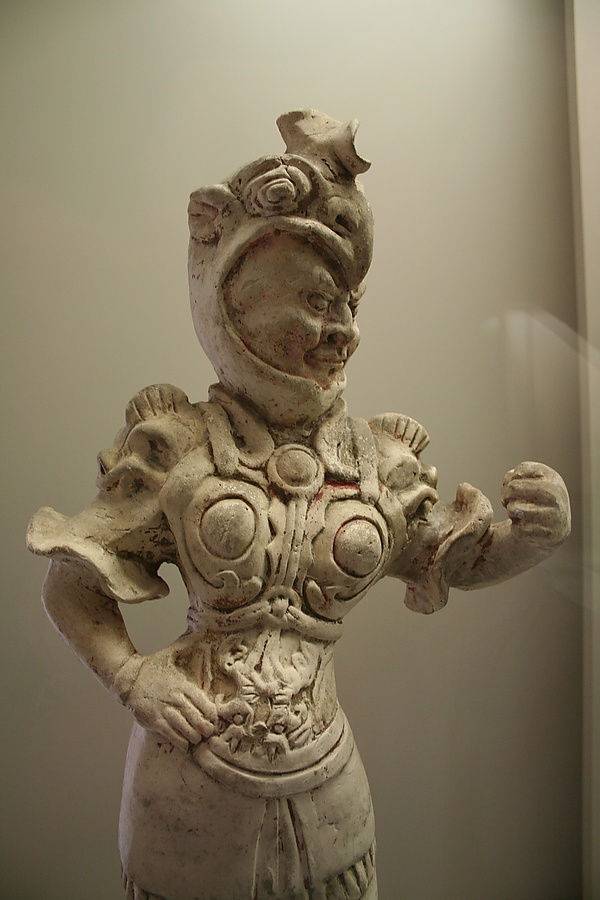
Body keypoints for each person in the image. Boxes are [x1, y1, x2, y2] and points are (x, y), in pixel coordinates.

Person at [27, 109, 570, 900]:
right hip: (186, 785)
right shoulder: (178, 448)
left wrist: (530, 540)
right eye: (318, 301)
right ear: (236, 303)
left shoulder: (374, 461)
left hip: (328, 785)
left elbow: (452, 556)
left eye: (349, 304)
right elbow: (71, 582)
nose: (343, 332)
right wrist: (133, 678)